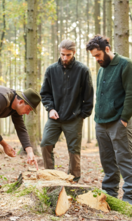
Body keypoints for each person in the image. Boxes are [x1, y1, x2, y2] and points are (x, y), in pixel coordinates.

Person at [86, 35, 132, 206]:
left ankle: (130, 197)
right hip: (101, 122)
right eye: (93, 56)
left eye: (97, 55)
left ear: (107, 49)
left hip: (119, 121)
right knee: (107, 159)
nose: (96, 59)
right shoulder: (102, 68)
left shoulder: (126, 65)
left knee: (125, 158)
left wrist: (124, 119)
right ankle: (109, 194)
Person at [39, 39, 94, 182]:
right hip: (54, 117)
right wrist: (50, 109)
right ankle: (50, 177)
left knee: (74, 151)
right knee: (45, 143)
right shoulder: (51, 70)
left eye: (68, 55)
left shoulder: (83, 70)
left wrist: (82, 115)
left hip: (74, 118)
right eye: (63, 54)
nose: (65, 58)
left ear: (74, 53)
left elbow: (89, 96)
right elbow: (45, 93)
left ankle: (74, 180)